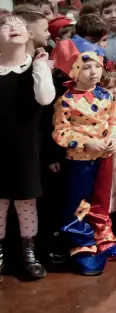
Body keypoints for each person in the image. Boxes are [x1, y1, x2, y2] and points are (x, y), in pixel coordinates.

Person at [53, 50, 116, 274]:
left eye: (97, 66)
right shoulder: (66, 101)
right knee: (79, 202)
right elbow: (61, 132)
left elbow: (114, 119)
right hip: (80, 161)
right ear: (75, 70)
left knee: (101, 199)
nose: (94, 71)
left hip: (105, 157)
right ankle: (81, 245)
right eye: (87, 67)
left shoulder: (105, 96)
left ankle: (104, 238)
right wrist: (86, 142)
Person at [0, 14, 53, 280]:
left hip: (27, 148)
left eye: (20, 25)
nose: (14, 29)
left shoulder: (36, 67)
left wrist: (42, 68)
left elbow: (45, 98)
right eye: (7, 26)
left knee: (25, 201)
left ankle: (28, 252)